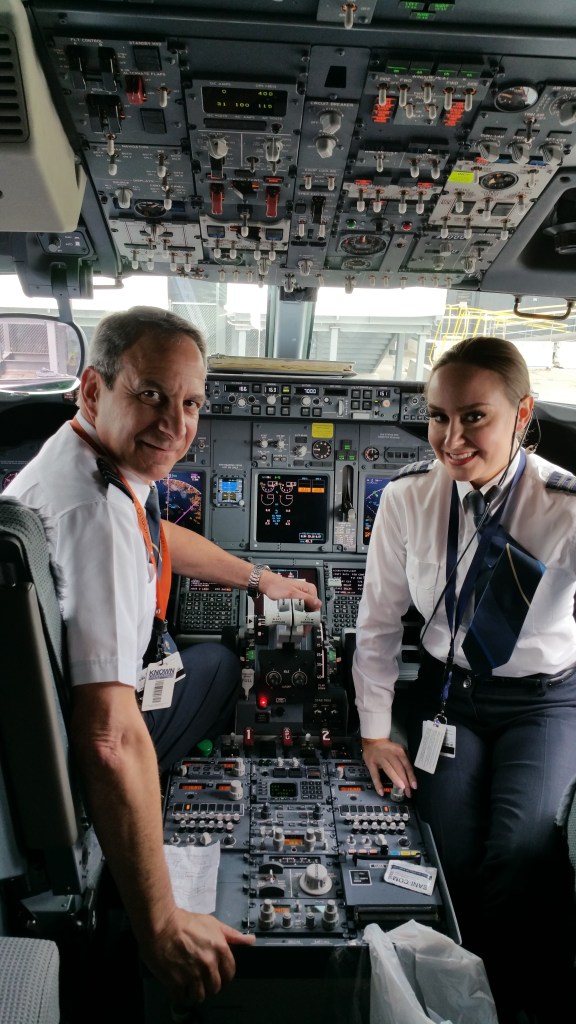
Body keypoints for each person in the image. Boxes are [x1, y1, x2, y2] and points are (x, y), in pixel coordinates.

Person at [2, 306, 321, 1009]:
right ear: (93, 390)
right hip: (77, 755)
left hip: (35, 725)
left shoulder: (80, 459)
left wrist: (259, 578)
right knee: (216, 666)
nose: (175, 425)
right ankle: (159, 820)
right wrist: (160, 924)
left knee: (202, 662)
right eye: (150, 394)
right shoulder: (98, 515)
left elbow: (163, 537)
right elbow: (109, 739)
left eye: (190, 403)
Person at [353, 335, 576, 1024]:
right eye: (438, 416)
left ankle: (507, 993)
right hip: (449, 695)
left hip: (543, 700)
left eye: (473, 416)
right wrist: (374, 733)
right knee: (442, 846)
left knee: (520, 851)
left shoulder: (566, 504)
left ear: (522, 413)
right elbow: (379, 623)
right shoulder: (408, 499)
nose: (451, 437)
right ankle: (450, 987)